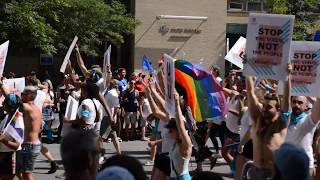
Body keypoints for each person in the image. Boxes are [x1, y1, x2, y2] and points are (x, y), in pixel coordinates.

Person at [244, 64, 292, 179]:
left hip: (274, 174)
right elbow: (250, 92)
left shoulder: (281, 123)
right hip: (256, 172)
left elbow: (286, 98)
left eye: (269, 107)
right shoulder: (257, 119)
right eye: (264, 105)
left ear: (278, 109)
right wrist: (248, 69)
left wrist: (288, 76)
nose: (264, 109)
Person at [285, 95, 320, 175]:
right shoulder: (285, 119)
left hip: (304, 166)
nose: (296, 105)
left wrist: (309, 96)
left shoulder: (309, 120)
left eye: (300, 102)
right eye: (294, 102)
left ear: (306, 106)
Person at [165, 94, 192, 180]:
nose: (169, 132)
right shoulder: (175, 143)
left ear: (178, 131)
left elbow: (180, 125)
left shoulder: (186, 144)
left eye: (171, 130)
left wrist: (176, 103)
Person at [20, 86, 43, 180]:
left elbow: (12, 99)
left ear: (29, 95)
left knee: (27, 174)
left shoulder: (28, 108)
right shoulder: (36, 108)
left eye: (23, 94)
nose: (21, 96)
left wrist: (2, 84)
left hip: (30, 145)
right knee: (22, 172)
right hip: (32, 144)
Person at [0, 94, 23, 180]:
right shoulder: (7, 116)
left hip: (12, 156)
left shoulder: (18, 121)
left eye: (5, 101)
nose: (2, 102)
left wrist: (3, 140)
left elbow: (16, 145)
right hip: (5, 155)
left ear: (9, 105)